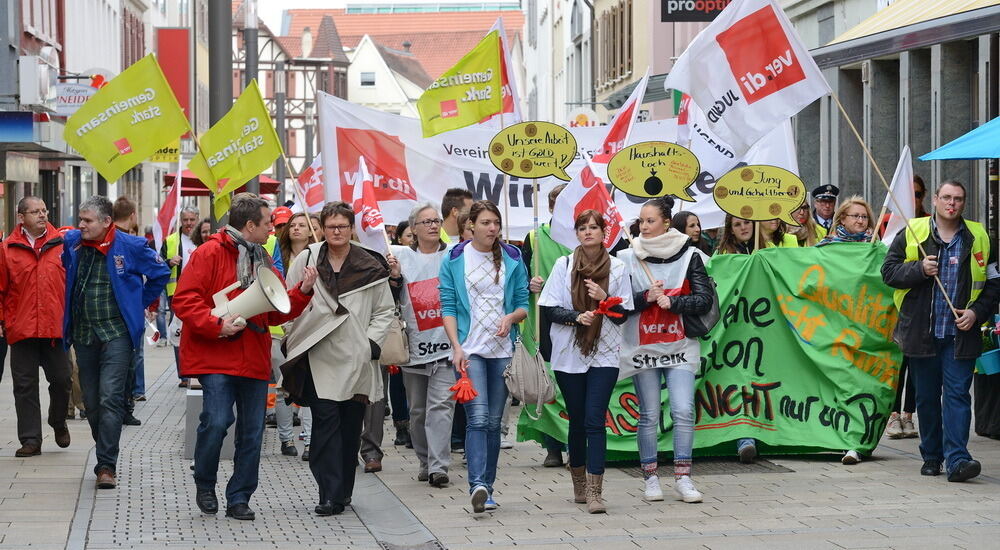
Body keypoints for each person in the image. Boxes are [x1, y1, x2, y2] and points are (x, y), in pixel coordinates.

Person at [174, 194, 315, 520]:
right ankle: (205, 481)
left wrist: (303, 291)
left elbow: (276, 311)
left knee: (252, 433)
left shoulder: (263, 256)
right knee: (218, 421)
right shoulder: (209, 252)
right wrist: (215, 325)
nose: (272, 229)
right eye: (267, 223)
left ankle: (239, 498)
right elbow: (184, 300)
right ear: (250, 225)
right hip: (215, 355)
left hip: (252, 355)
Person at [882, 180, 1000, 482]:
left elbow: (994, 283)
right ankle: (932, 455)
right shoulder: (914, 232)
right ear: (935, 200)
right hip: (922, 332)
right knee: (926, 398)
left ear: (964, 202)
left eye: (958, 199)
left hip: (961, 334)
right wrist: (919, 269)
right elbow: (889, 272)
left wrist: (976, 313)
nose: (952, 204)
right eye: (946, 197)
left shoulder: (980, 236)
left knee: (958, 395)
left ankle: (958, 459)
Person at [281, 201, 394, 517]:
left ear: (351, 228)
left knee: (348, 430)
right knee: (324, 428)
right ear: (322, 228)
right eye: (330, 227)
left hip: (357, 359)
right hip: (319, 356)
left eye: (342, 226)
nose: (336, 232)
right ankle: (328, 494)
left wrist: (371, 342)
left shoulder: (370, 264)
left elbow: (385, 310)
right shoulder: (307, 259)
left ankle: (343, 490)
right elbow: (287, 303)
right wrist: (299, 333)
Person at [62, 196, 170, 489]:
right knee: (92, 402)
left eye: (87, 220)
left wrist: (138, 304)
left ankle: (106, 465)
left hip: (118, 335)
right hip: (84, 334)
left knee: (110, 397)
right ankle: (105, 449)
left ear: (107, 222)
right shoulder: (72, 243)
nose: (81, 225)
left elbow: (161, 273)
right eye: (80, 219)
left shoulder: (131, 246)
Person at [618, 197, 712, 505]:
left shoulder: (691, 256)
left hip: (680, 347)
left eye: (650, 221)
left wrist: (674, 303)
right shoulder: (627, 256)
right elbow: (617, 304)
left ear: (666, 222)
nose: (643, 226)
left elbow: (705, 300)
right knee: (649, 414)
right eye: (641, 221)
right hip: (643, 347)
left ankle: (683, 477)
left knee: (683, 410)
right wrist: (646, 297)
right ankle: (651, 478)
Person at [538, 210, 631, 513]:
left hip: (605, 352)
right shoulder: (563, 265)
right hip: (569, 354)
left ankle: (595, 491)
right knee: (577, 420)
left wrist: (605, 297)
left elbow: (623, 315)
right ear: (576, 233)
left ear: (604, 232)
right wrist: (577, 317)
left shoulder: (617, 267)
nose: (588, 231)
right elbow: (549, 308)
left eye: (594, 227)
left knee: (595, 420)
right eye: (583, 227)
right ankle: (578, 480)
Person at [439, 200, 529, 514]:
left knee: (493, 423)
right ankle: (476, 483)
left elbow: (522, 303)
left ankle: (487, 488)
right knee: (476, 419)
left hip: (502, 352)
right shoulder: (454, 258)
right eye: (486, 223)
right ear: (471, 226)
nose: (492, 228)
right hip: (471, 350)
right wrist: (456, 346)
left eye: (496, 223)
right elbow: (448, 305)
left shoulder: (513, 257)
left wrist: (510, 318)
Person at [386, 204, 455, 488]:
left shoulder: (452, 255)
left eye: (435, 220)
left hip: (447, 347)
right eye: (425, 222)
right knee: (417, 412)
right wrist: (394, 277)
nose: (432, 225)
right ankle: (425, 461)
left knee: (441, 406)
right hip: (413, 348)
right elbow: (391, 296)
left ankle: (440, 467)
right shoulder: (400, 256)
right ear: (412, 228)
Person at [0, 196, 72, 457]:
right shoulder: (7, 248)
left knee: (62, 380)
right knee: (24, 386)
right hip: (22, 329)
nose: (42, 215)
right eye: (35, 212)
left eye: (44, 210)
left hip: (54, 327)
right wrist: (3, 320)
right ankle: (31, 439)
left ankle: (57, 420)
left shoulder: (63, 245)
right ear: (21, 217)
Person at [813, 195, 878, 464]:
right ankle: (838, 437)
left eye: (864, 217)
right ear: (842, 219)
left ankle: (856, 442)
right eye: (856, 216)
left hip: (865, 328)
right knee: (839, 384)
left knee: (862, 385)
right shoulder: (826, 248)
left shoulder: (875, 248)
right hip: (833, 327)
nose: (861, 221)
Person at [521, 184, 571, 468]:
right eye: (557, 204)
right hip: (543, 318)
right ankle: (552, 445)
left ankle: (572, 442)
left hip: (575, 315)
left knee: (571, 381)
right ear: (550, 207)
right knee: (547, 379)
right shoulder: (534, 238)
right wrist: (529, 283)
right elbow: (519, 278)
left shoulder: (581, 236)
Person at [112, 197, 150, 425]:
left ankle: (121, 405)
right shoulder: (133, 243)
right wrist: (143, 301)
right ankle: (125, 406)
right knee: (129, 362)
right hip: (128, 315)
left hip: (114, 313)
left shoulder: (104, 242)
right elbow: (159, 273)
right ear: (133, 215)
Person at [162, 206, 201, 388]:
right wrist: (169, 262)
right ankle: (184, 374)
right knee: (178, 332)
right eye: (185, 220)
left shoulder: (203, 239)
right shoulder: (171, 241)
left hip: (200, 294)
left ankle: (196, 370)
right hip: (177, 294)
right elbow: (158, 267)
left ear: (197, 219)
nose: (189, 224)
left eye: (192, 219)